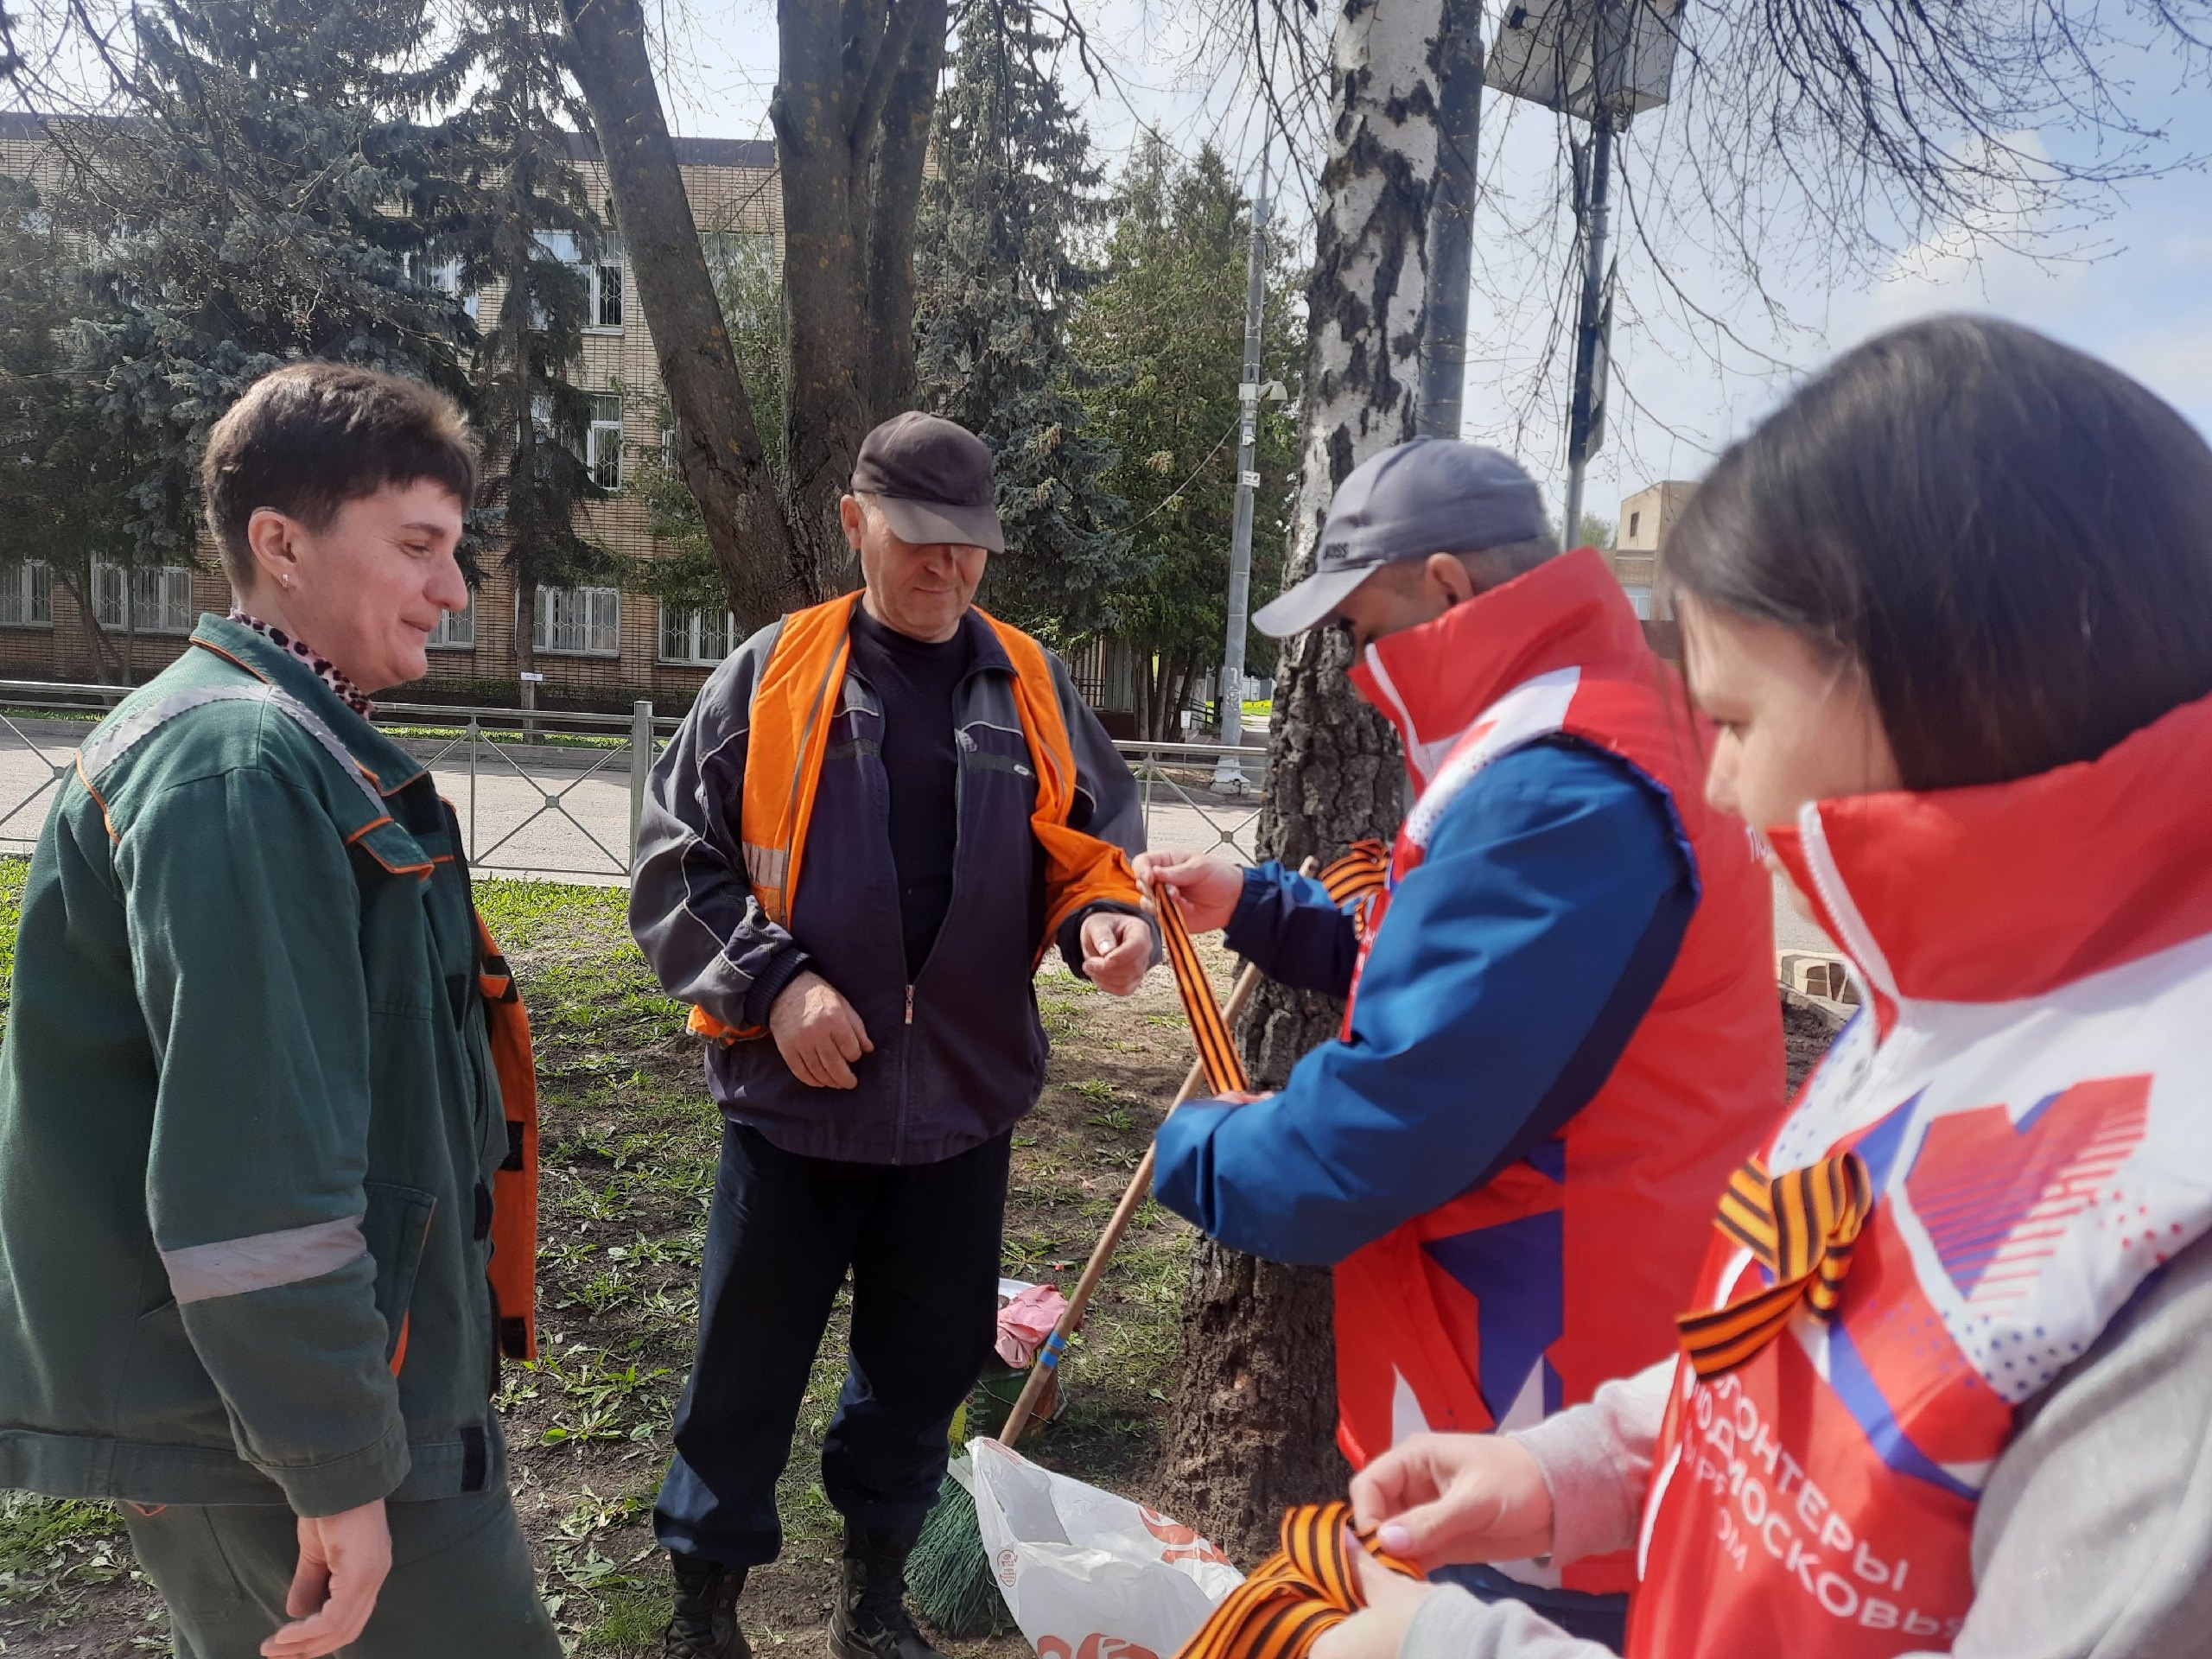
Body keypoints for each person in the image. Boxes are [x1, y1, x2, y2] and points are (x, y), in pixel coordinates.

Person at [1313, 315, 2212, 1659]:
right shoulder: (1943, 1021)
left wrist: (1444, 1650)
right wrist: (1582, 1468)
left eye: (1734, 723)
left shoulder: (2173, 1253)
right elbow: (1803, 1358)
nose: (1724, 789)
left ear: (1931, 676)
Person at [1141, 438, 1782, 1645]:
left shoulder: (1559, 786)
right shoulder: (1603, 722)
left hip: (1545, 1375)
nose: (1351, 659)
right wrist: (1269, 913)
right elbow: (1482, 984)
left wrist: (1197, 1147)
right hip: (1567, 1339)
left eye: (1359, 622)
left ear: (1444, 588)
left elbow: (1371, 1141)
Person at [0, 363, 558, 1659]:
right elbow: (251, 1183)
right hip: (283, 1442)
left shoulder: (287, 742)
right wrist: (333, 1463)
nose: (452, 588)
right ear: (280, 544)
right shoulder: (240, 766)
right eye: (417, 545)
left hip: (309, 1412)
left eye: (455, 549)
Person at [631, 410, 1158, 1659]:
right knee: (742, 1370)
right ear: (857, 523)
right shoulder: (771, 673)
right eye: (920, 541)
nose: (948, 570)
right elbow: (670, 865)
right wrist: (776, 988)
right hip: (794, 1108)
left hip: (962, 1106)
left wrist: (1106, 920)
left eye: (971, 546)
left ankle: (874, 1600)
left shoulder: (1027, 679)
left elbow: (1095, 840)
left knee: (919, 1375)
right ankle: (703, 1608)